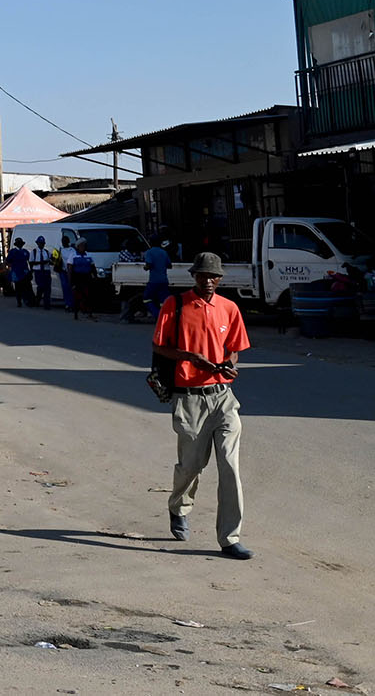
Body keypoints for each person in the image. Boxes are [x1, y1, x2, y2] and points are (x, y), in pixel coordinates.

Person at [154, 252, 252, 559]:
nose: (208, 281)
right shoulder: (176, 305)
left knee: (230, 467)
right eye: (202, 275)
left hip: (223, 397)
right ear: (193, 276)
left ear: (220, 279)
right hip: (189, 398)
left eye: (213, 276)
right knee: (192, 466)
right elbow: (159, 346)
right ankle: (178, 507)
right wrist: (189, 357)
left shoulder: (229, 308)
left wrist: (229, 364)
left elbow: (235, 348)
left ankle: (230, 538)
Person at [127, 239, 174, 325]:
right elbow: (169, 265)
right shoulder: (164, 252)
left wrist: (145, 268)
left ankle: (157, 315)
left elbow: (149, 264)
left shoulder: (149, 252)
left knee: (147, 299)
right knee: (163, 301)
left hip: (153, 281)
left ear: (150, 243)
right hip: (164, 280)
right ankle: (165, 317)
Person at [69, 243, 100, 320]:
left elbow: (93, 267)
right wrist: (70, 280)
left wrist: (95, 276)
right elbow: (70, 268)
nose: (83, 248)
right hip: (77, 277)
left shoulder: (89, 255)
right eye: (81, 246)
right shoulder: (73, 255)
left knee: (89, 296)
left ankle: (89, 313)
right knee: (77, 296)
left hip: (87, 277)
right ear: (78, 247)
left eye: (84, 246)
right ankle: (76, 313)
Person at [6, 237, 32, 306]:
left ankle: (26, 300)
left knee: (26, 287)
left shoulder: (25, 252)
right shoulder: (13, 252)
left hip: (25, 272)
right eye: (19, 243)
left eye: (21, 243)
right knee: (18, 287)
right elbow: (8, 261)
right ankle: (19, 301)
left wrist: (29, 271)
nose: (20, 245)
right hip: (16, 272)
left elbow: (29, 261)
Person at [32, 235, 54, 308]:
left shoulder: (47, 252)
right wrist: (41, 263)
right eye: (40, 243)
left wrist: (52, 260)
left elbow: (52, 260)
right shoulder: (34, 252)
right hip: (38, 271)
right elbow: (31, 262)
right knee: (40, 287)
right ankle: (37, 300)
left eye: (42, 243)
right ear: (37, 243)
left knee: (47, 288)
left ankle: (47, 304)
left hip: (46, 271)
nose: (41, 244)